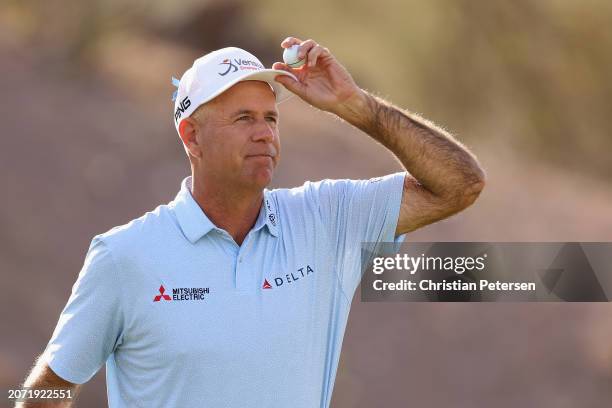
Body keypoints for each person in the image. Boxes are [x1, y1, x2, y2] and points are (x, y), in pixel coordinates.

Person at [18, 37, 485, 407]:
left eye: (270, 118)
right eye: (243, 117)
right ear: (192, 136)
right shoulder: (124, 257)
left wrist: (357, 107)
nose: (264, 132)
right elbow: (46, 389)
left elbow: (460, 184)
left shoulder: (326, 219)